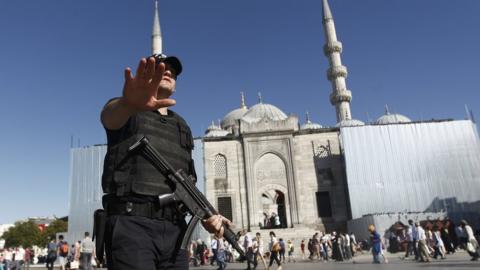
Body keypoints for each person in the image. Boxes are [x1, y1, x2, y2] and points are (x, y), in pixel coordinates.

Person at [100, 54, 230, 269]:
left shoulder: (182, 126)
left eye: (173, 72)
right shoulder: (127, 110)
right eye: (161, 68)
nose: (168, 71)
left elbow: (188, 182)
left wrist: (209, 216)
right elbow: (109, 117)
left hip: (175, 232)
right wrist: (128, 103)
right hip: (133, 226)